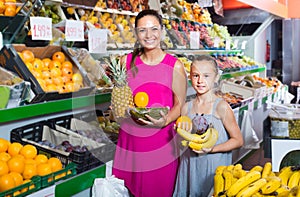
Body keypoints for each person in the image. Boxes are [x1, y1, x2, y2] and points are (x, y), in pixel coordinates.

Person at [112, 9, 187, 197]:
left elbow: (180, 105)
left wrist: (165, 120)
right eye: (142, 30)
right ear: (136, 34)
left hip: (160, 145)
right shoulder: (125, 62)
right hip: (129, 142)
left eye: (154, 29)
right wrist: (115, 112)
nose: (149, 35)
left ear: (161, 31)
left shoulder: (174, 65)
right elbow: (118, 100)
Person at [173, 55, 244, 197]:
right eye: (195, 75)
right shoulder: (186, 108)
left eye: (206, 76)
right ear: (190, 77)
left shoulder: (221, 107)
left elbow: (238, 140)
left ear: (216, 78)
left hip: (213, 169)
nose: (200, 81)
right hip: (190, 170)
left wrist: (212, 149)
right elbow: (182, 143)